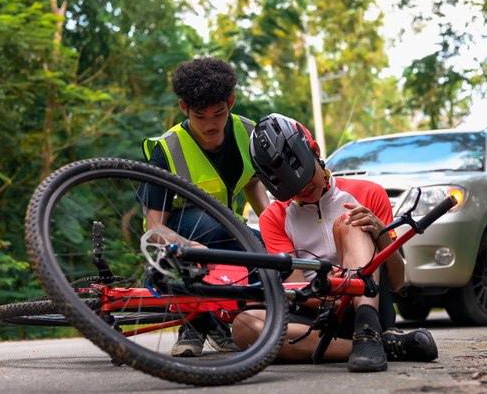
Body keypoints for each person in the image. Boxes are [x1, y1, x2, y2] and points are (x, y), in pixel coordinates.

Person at [232, 114, 438, 372]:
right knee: (243, 327)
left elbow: (396, 282)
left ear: (315, 151)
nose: (302, 191)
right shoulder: (273, 217)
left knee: (351, 219)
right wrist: (328, 287)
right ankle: (382, 346)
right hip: (318, 311)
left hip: (367, 305)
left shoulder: (369, 192)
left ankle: (367, 330)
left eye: (306, 180)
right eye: (292, 189)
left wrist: (381, 233)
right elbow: (297, 286)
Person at [141, 57, 270, 357]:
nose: (211, 124)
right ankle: (194, 320)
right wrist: (190, 246)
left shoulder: (248, 133)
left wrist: (275, 232)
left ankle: (224, 317)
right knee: (212, 226)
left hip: (233, 233)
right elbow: (154, 228)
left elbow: (251, 181)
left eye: (219, 113)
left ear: (231, 102)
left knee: (269, 253)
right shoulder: (167, 149)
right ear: (184, 107)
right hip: (183, 235)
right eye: (200, 116)